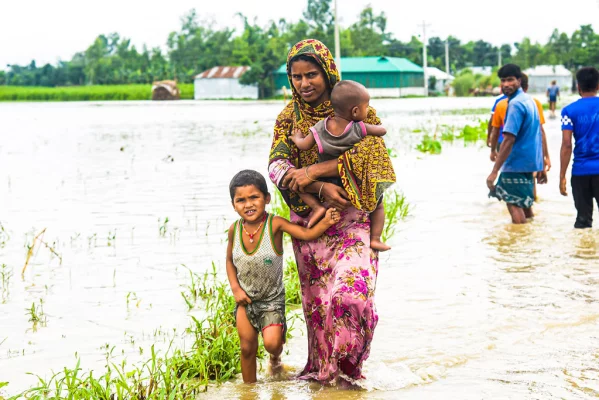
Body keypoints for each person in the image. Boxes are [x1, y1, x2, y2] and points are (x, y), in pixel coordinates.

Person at [268, 39, 396, 383]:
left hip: (354, 221)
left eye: (311, 74)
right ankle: (332, 381)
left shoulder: (357, 109)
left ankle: (351, 370)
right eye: (296, 76)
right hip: (310, 226)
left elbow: (376, 161)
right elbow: (277, 167)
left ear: (327, 73)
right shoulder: (288, 119)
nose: (304, 83)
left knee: (350, 297)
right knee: (322, 310)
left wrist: (315, 170)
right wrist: (319, 188)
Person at [226, 169, 340, 384]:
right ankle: (249, 391)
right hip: (246, 300)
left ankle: (275, 357)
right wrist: (235, 289)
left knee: (271, 343)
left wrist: (325, 222)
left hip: (271, 301)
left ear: (266, 198)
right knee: (247, 347)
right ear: (233, 204)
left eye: (254, 197)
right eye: (241, 200)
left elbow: (305, 234)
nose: (248, 204)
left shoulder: (274, 224)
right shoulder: (235, 230)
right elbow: (229, 261)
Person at [289, 80, 390, 251]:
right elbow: (382, 131)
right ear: (356, 111)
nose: (368, 110)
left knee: (298, 186)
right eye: (366, 107)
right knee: (378, 204)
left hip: (327, 181)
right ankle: (375, 238)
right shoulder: (358, 128)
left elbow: (304, 145)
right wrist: (375, 127)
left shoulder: (319, 127)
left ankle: (317, 207)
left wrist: (296, 137)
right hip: (352, 181)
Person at [486, 64, 547, 224]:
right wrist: (540, 164)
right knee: (525, 205)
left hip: (515, 164)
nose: (506, 84)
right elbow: (538, 133)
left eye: (510, 80)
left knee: (513, 205)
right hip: (529, 164)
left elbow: (508, 140)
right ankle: (529, 242)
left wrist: (494, 171)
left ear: (519, 81)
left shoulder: (515, 105)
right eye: (503, 81)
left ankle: (519, 244)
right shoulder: (530, 101)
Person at [559, 67, 599, 228]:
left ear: (578, 86)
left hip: (580, 171)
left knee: (583, 220)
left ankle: (584, 252)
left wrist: (562, 175)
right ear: (598, 86)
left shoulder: (568, 111)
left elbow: (567, 144)